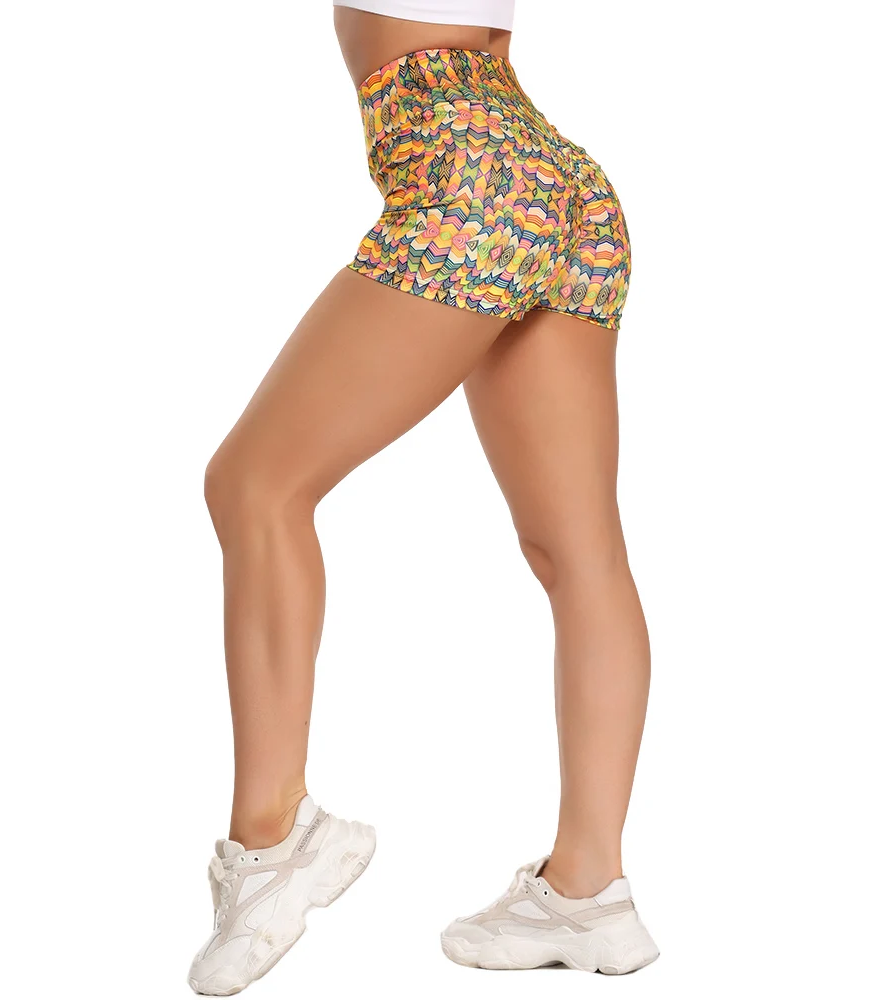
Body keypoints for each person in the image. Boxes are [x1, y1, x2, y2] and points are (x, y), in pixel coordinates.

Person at [187, 2, 658, 992]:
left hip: (470, 168)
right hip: (558, 177)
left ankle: (272, 841)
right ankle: (589, 891)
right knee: (578, 554)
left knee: (256, 486)